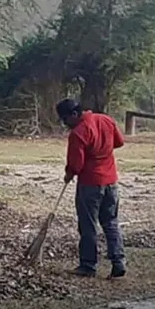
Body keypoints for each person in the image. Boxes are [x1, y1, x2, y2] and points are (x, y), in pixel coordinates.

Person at [56, 98, 126, 279]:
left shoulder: (78, 132)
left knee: (88, 226)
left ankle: (88, 265)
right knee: (110, 222)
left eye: (65, 120)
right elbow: (119, 142)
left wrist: (69, 173)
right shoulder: (106, 120)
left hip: (90, 184)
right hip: (111, 181)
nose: (65, 124)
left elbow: (76, 164)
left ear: (74, 114)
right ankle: (118, 262)